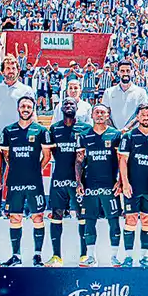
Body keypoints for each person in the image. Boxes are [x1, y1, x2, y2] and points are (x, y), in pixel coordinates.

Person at [0, 95, 53, 267]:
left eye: (29, 106)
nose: (26, 109)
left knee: (37, 217)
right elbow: (5, 154)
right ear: (18, 109)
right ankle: (16, 256)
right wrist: (16, 167)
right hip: (14, 181)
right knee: (15, 217)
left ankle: (37, 255)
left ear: (33, 109)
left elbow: (47, 156)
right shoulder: (8, 130)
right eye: (23, 106)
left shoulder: (41, 130)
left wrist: (36, 168)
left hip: (34, 181)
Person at [75, 104, 123, 267]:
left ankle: (114, 256)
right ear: (92, 115)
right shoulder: (84, 135)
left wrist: (121, 181)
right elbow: (79, 160)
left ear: (108, 115)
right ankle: (90, 256)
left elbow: (121, 160)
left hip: (110, 185)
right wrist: (78, 181)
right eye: (97, 112)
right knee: (89, 220)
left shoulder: (115, 135)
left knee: (113, 220)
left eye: (103, 112)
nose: (100, 115)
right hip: (90, 185)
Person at [46, 96, 92, 266]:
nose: (69, 106)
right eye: (65, 103)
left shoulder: (85, 128)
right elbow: (49, 153)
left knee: (82, 215)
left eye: (72, 103)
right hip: (59, 177)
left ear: (77, 107)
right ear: (61, 108)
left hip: (79, 180)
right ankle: (56, 256)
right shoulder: (54, 129)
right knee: (56, 214)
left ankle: (84, 255)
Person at [117, 103, 148, 267]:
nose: (146, 117)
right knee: (131, 218)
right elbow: (122, 161)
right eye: (143, 115)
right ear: (137, 117)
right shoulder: (129, 136)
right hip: (132, 186)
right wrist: (125, 183)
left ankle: (145, 256)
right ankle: (128, 257)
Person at [0, 55, 36, 134]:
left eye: (13, 68)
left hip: (20, 135)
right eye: (8, 68)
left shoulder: (27, 90)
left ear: (18, 71)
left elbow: (32, 115)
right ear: (3, 71)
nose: (11, 71)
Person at [101, 59, 148, 130]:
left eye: (128, 71)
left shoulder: (141, 92)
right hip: (114, 134)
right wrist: (115, 131)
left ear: (132, 72)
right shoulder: (108, 92)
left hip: (133, 134)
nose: (125, 73)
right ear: (118, 73)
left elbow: (142, 113)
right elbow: (105, 113)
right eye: (122, 71)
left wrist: (126, 129)